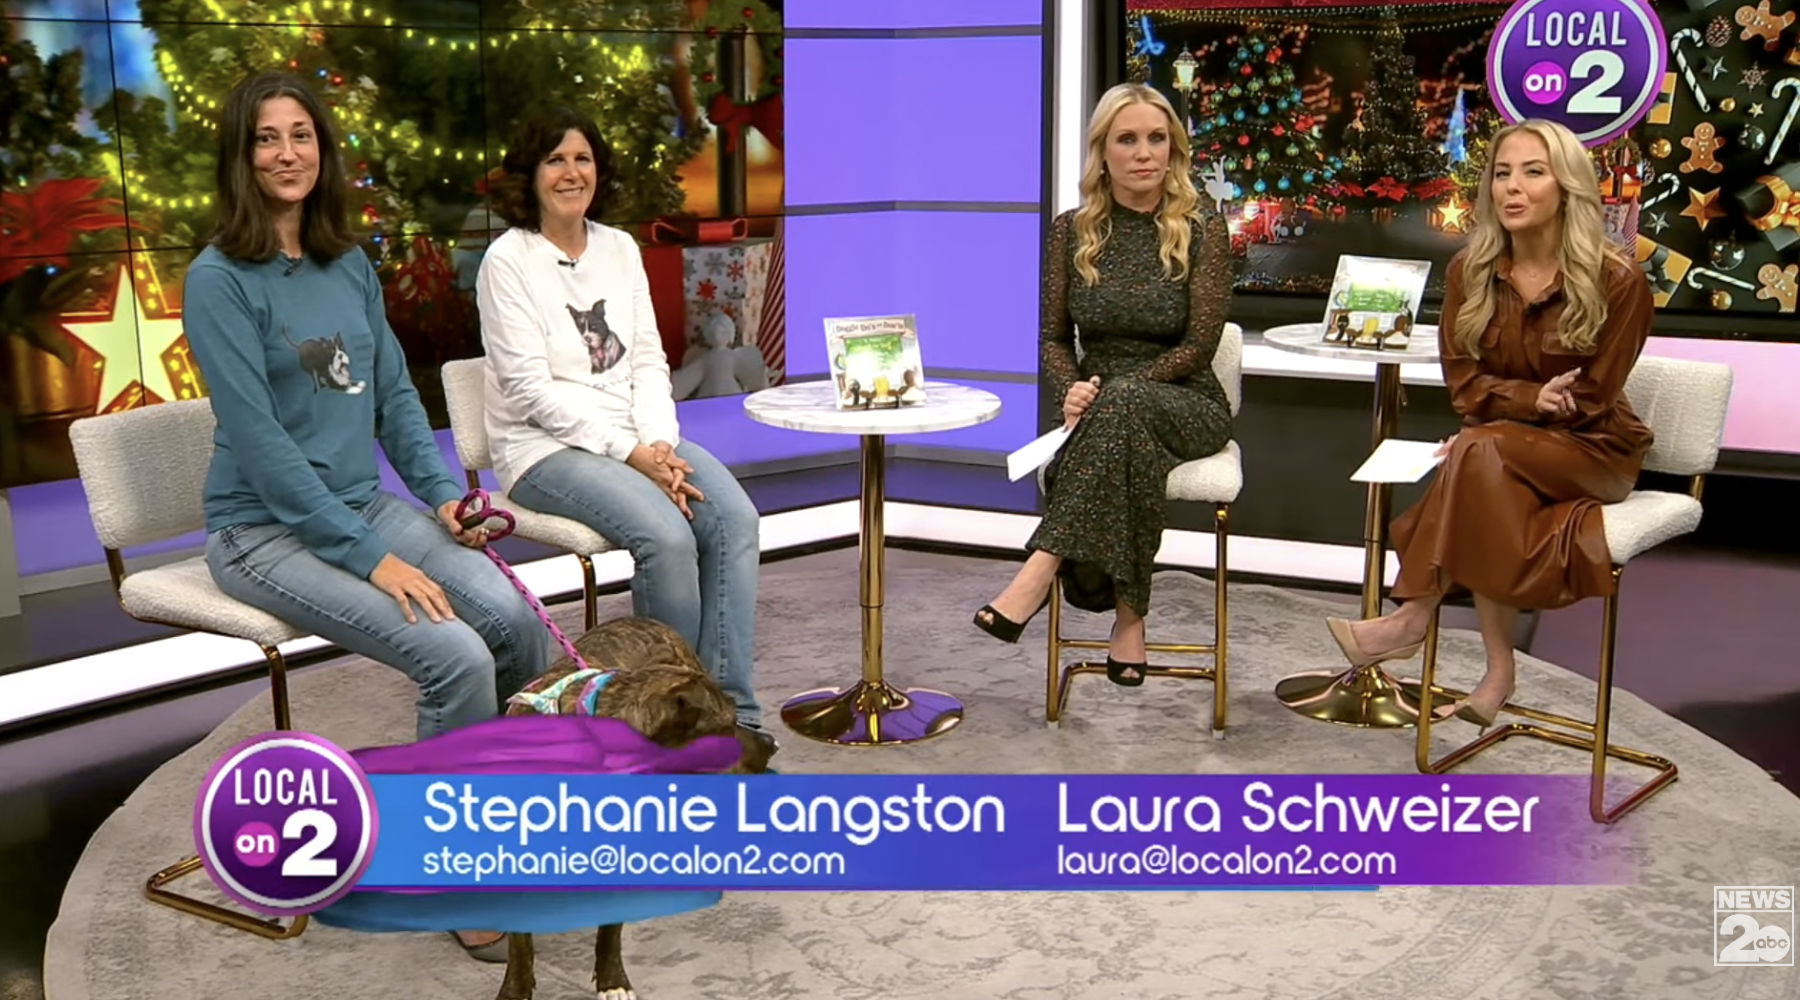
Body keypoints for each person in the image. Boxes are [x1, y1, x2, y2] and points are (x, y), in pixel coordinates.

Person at [183, 71, 554, 962]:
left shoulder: (346, 262)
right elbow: (264, 448)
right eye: (266, 138)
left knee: (515, 624)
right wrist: (371, 559)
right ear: (240, 154)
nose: (286, 153)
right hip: (262, 530)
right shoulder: (217, 281)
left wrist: (442, 496)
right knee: (454, 654)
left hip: (359, 504)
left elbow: (393, 396)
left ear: (323, 148)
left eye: (301, 135)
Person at [1323, 118, 1654, 727]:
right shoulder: (1468, 271)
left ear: (1567, 187)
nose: (1512, 187)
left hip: (1595, 450)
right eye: (1502, 174)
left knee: (1479, 453)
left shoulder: (1618, 279)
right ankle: (1497, 672)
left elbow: (1592, 397)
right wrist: (1522, 410)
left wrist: (1505, 422)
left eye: (1533, 172)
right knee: (1484, 466)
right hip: (1502, 448)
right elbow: (1464, 388)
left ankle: (1411, 617)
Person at [474, 105, 770, 749]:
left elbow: (647, 361)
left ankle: (732, 714)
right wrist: (632, 452)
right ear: (530, 175)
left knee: (735, 519)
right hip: (544, 448)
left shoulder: (618, 247)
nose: (571, 172)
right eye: (555, 160)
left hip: (636, 437)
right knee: (667, 537)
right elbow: (529, 391)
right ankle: (666, 726)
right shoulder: (508, 260)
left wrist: (658, 441)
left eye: (582, 158)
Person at [970, 83, 1235, 686]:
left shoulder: (1203, 227)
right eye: (1128, 139)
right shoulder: (1072, 230)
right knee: (1123, 438)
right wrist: (1071, 388)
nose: (1144, 153)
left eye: (1157, 139)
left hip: (1186, 400)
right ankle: (1130, 623)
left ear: (1173, 149)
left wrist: (1111, 393)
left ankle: (1038, 569)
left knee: (1124, 409)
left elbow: (1199, 346)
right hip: (1099, 410)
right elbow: (1052, 337)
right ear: (1103, 152)